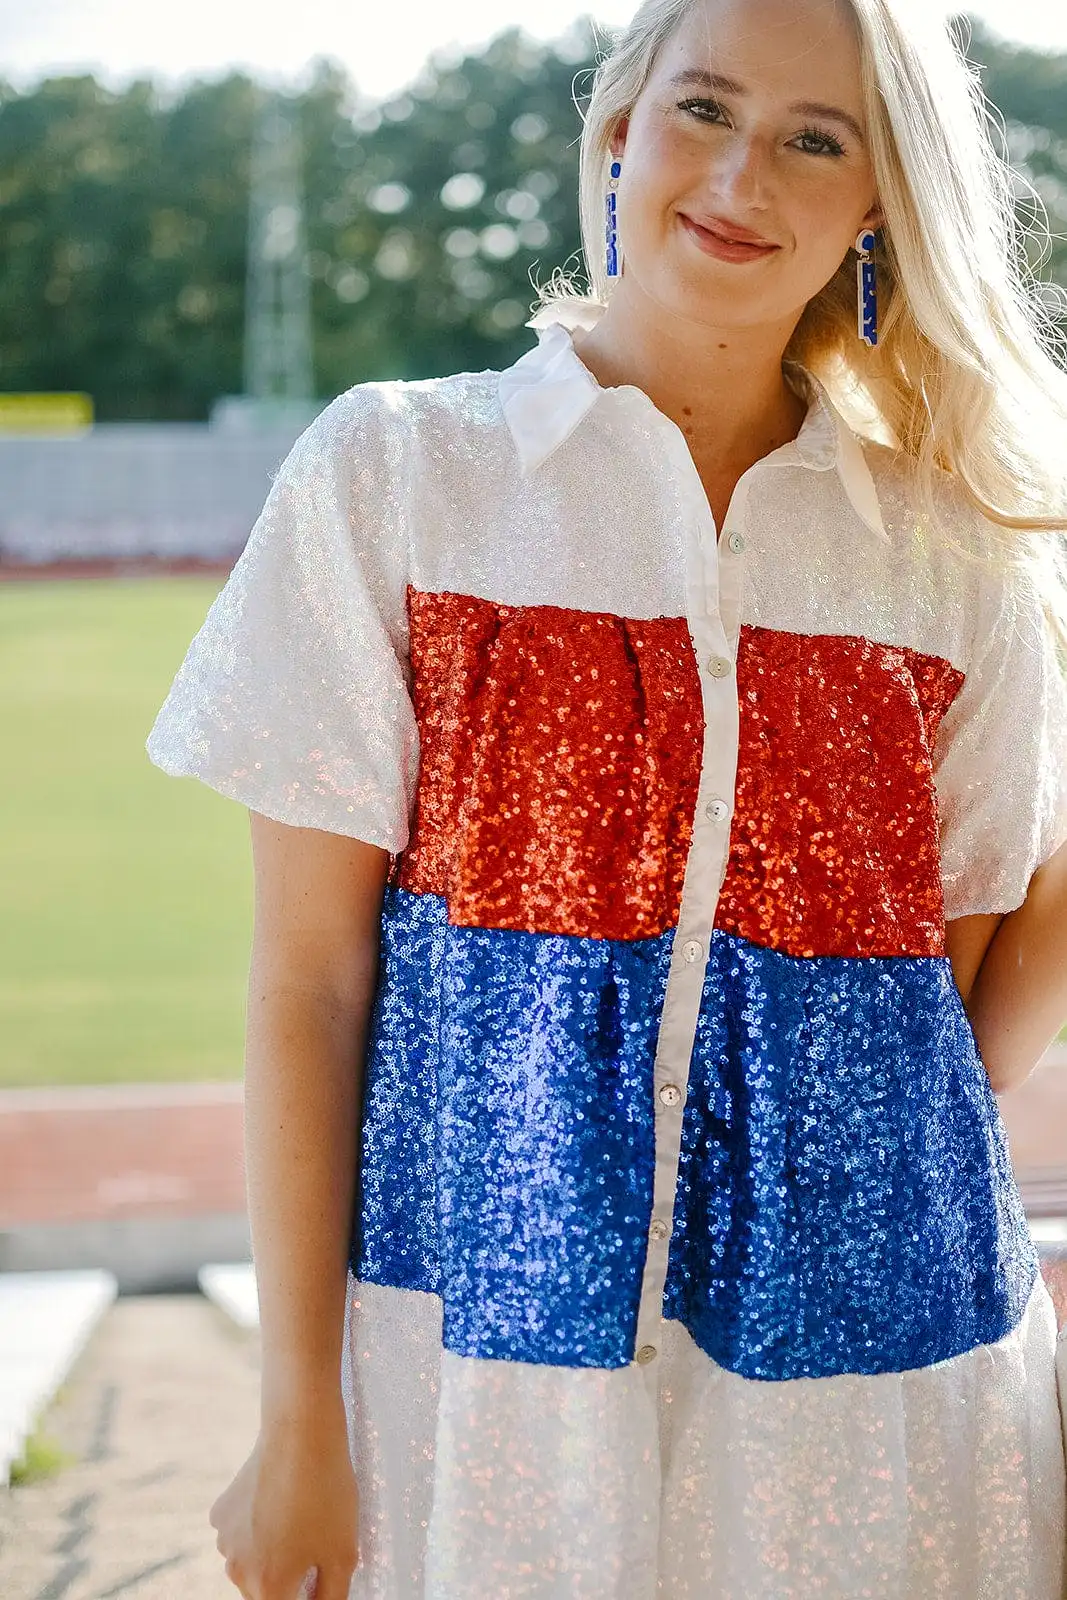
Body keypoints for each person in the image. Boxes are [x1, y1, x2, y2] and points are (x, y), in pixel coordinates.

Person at [146, 0, 1067, 1591]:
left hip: (871, 1368)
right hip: (483, 1353)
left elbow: (968, 978)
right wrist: (298, 1409)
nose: (739, 175)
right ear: (619, 128)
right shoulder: (400, 476)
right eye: (704, 108)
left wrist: (824, 1171)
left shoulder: (948, 558)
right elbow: (308, 979)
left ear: (876, 206)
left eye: (813, 138)